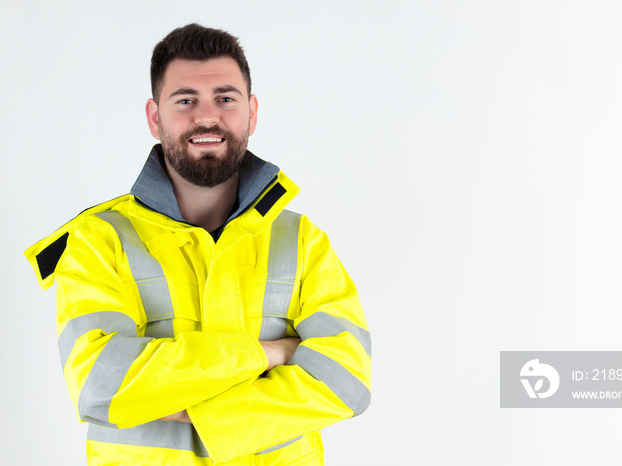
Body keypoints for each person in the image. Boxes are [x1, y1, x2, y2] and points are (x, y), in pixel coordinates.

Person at [24, 23, 371, 466]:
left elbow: (348, 380)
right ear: (155, 117)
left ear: (252, 112)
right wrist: (268, 354)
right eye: (185, 100)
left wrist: (176, 400)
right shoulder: (98, 241)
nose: (206, 117)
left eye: (225, 99)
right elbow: (100, 386)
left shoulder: (300, 240)